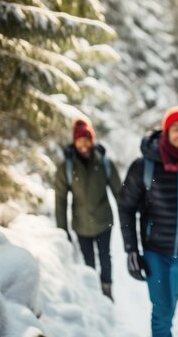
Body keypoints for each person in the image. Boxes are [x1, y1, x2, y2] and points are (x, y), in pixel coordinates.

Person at [118, 105, 178, 337]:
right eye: (175, 128)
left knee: (172, 301)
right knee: (163, 309)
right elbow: (126, 207)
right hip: (154, 251)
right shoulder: (144, 166)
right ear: (166, 131)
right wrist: (131, 250)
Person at [55, 118, 121, 300]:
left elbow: (120, 193)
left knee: (105, 259)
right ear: (74, 141)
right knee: (88, 262)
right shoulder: (67, 168)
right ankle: (93, 295)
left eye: (87, 139)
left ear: (92, 140)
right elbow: (60, 201)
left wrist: (129, 219)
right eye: (80, 140)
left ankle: (107, 291)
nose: (84, 144)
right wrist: (63, 231)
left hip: (103, 221)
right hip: (81, 225)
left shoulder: (104, 164)